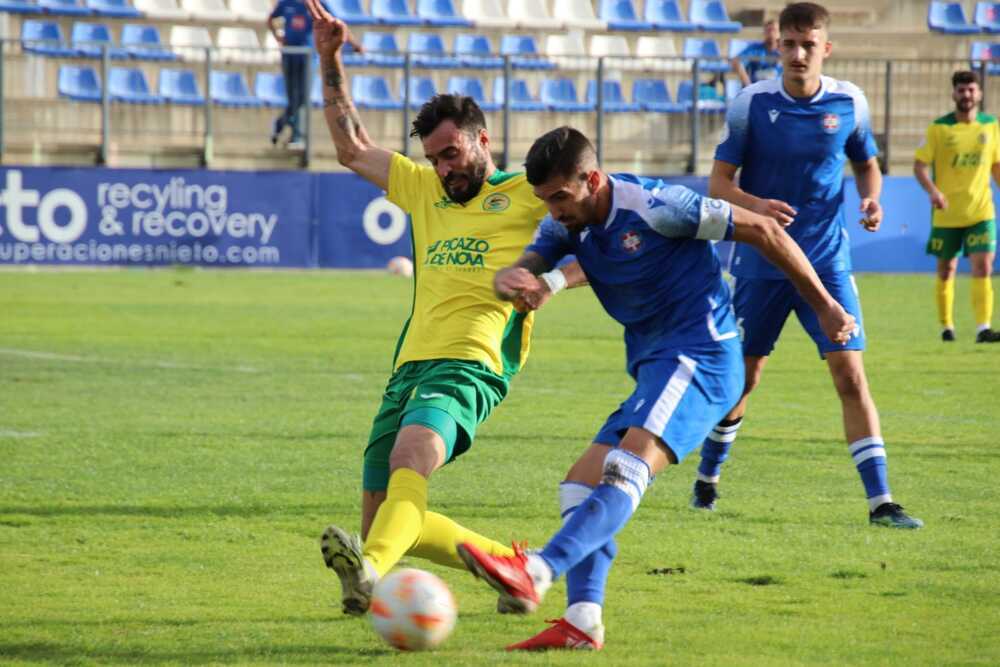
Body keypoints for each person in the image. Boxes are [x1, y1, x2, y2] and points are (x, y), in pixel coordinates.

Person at [455, 126, 857, 651]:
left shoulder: (659, 206)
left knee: (626, 467)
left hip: (702, 356)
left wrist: (826, 306)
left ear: (592, 179)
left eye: (560, 197)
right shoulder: (566, 222)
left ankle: (539, 568)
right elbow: (538, 258)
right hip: (657, 366)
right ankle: (582, 621)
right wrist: (518, 277)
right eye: (544, 200)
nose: (553, 210)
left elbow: (766, 232)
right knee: (579, 484)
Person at [304, 0, 549, 617]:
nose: (444, 168)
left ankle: (372, 570)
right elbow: (352, 147)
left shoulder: (527, 195)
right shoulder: (423, 188)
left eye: (452, 154)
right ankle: (517, 569)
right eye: (435, 158)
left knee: (411, 461)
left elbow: (606, 205)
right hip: (408, 365)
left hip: (473, 362)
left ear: (481, 140)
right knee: (388, 507)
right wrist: (328, 58)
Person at [689, 2, 923, 529]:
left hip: (827, 263)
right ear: (777, 46)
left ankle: (881, 501)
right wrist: (756, 205)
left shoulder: (850, 102)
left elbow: (867, 163)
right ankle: (708, 477)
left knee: (852, 377)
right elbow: (719, 185)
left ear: (826, 48)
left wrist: (872, 199)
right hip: (759, 263)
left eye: (808, 44)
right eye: (790, 43)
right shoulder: (751, 104)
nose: (798, 53)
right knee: (742, 382)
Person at [914, 70, 1000, 343]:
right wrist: (934, 192)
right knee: (946, 270)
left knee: (983, 267)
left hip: (980, 211)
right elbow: (919, 166)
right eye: (961, 90)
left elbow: (996, 166)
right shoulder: (939, 128)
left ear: (979, 93)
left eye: (971, 90)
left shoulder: (991, 126)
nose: (966, 95)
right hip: (947, 212)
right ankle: (946, 327)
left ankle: (983, 328)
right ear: (954, 94)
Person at [268, 0, 312, 149]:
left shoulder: (316, 4)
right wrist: (278, 37)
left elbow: (332, 22)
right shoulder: (286, 3)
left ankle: (280, 126)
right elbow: (271, 18)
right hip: (289, 55)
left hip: (306, 57)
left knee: (303, 98)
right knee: (293, 98)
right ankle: (295, 137)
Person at [730, 19, 781, 88]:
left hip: (777, 90)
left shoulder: (785, 50)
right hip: (757, 89)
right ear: (764, 33)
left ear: (780, 33)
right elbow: (736, 61)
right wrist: (747, 82)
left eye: (774, 30)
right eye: (768, 30)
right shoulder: (755, 48)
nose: (771, 33)